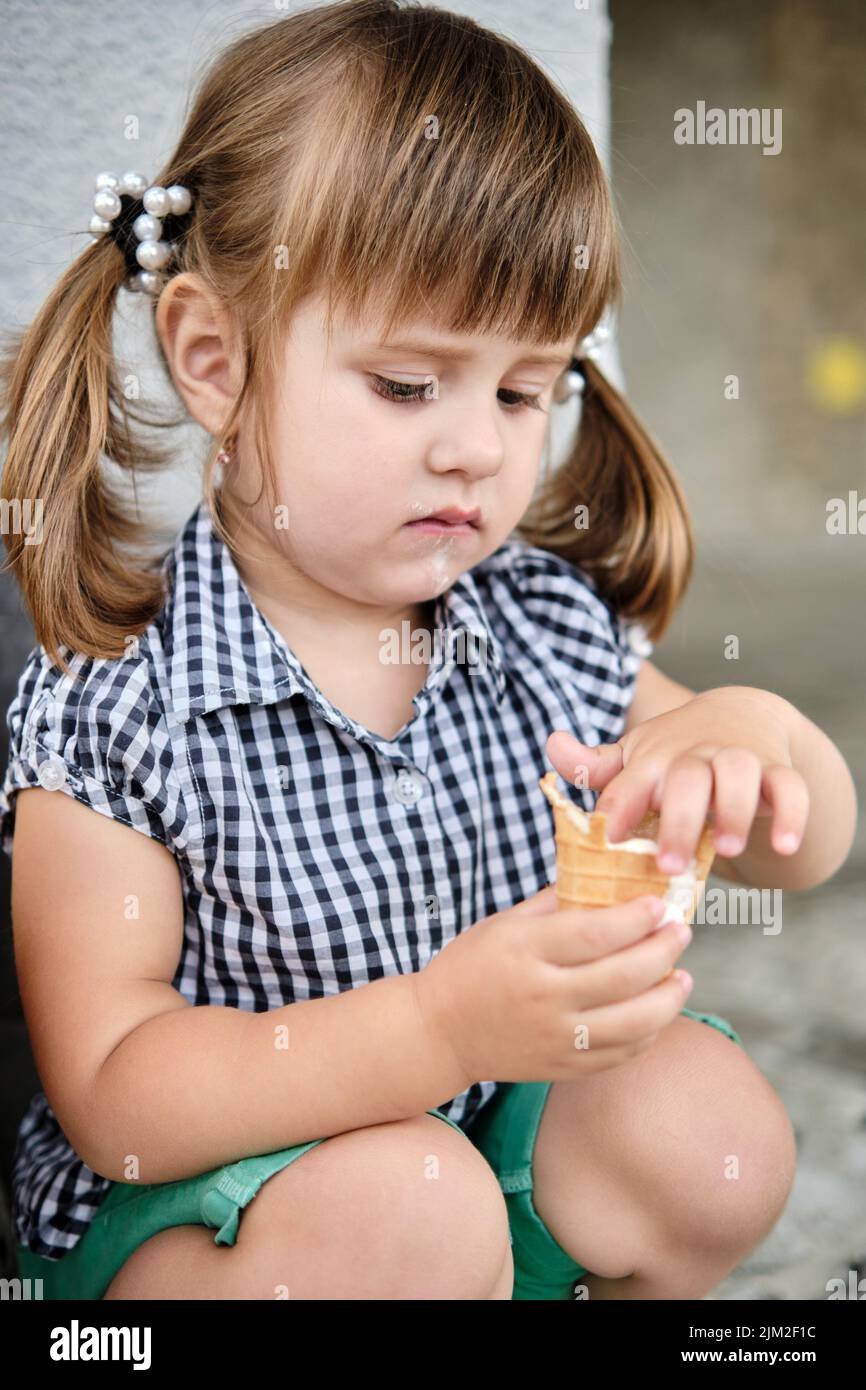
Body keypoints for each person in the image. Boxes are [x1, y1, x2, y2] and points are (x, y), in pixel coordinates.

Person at [0, 1, 855, 1301]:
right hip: (222, 1213)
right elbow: (118, 1089)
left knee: (706, 1129)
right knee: (408, 1206)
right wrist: (434, 1027)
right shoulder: (121, 691)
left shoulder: (533, 620)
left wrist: (743, 736)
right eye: (408, 385)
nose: (475, 446)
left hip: (471, 1174)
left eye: (522, 391)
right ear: (215, 360)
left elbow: (802, 844)